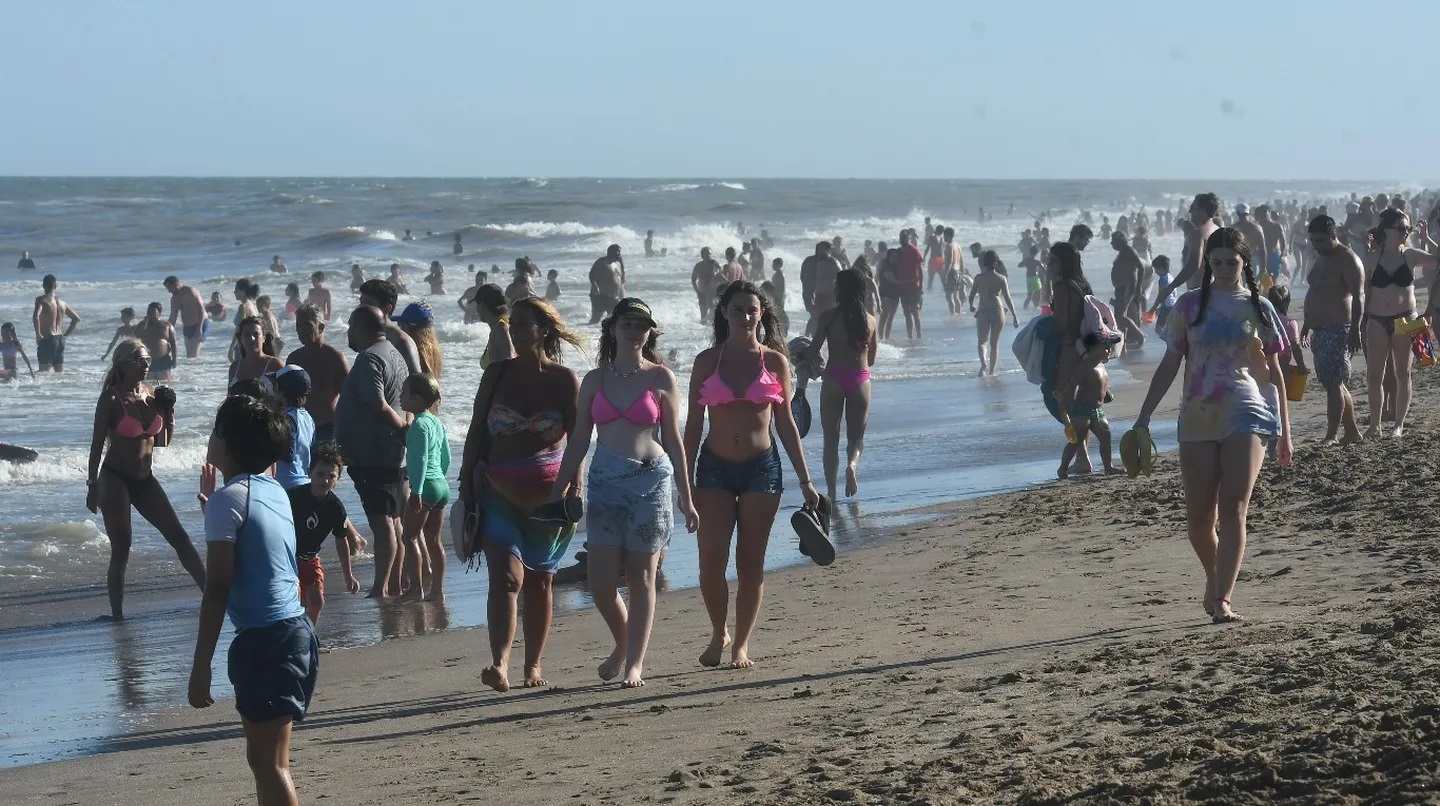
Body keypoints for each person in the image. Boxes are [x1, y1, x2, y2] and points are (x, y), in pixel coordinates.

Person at [1134, 228, 1292, 624]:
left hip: (1247, 411)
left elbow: (1274, 372)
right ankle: (1214, 576)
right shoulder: (1189, 306)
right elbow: (1170, 364)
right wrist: (1143, 415)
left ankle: (1222, 599)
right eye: (1216, 262)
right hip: (1198, 416)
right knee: (1199, 521)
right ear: (1208, 264)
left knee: (1234, 508)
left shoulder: (1259, 306)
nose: (1223, 269)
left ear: (1244, 263)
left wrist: (1285, 432)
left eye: (1231, 262)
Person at [545, 298, 697, 688]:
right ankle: (624, 643)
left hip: (651, 482)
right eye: (627, 323)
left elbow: (674, 440)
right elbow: (578, 440)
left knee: (641, 577)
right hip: (606, 484)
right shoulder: (595, 380)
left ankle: (634, 663)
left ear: (649, 333)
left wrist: (686, 494)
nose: (634, 331)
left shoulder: (662, 377)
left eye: (641, 325)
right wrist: (558, 489)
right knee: (600, 583)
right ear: (612, 329)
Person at [189, 395, 318, 806]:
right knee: (267, 760)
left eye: (215, 430)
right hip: (296, 633)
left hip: (267, 640)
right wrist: (215, 508)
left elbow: (218, 587)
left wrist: (200, 665)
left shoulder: (230, 501)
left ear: (227, 443)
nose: (210, 438)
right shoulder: (273, 490)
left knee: (269, 764)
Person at [684, 281, 819, 669]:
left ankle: (740, 644)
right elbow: (692, 426)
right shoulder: (707, 361)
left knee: (750, 562)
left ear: (762, 315)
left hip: (762, 468)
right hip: (713, 468)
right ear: (724, 313)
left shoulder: (774, 361)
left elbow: (788, 424)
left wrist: (807, 481)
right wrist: (685, 480)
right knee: (711, 561)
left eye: (751, 310)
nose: (745, 316)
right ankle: (718, 632)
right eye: (738, 309)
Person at [460, 298, 585, 691]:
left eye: (523, 324)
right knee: (505, 578)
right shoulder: (496, 375)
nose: (514, 329)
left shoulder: (564, 379)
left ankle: (533, 666)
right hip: (497, 491)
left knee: (541, 582)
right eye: (511, 323)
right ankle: (499, 664)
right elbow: (476, 431)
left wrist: (576, 485)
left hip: (550, 499)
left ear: (544, 330)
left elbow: (579, 439)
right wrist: (465, 483)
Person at [86, 339, 205, 619]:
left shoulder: (151, 394)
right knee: (122, 545)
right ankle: (117, 614)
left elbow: (161, 442)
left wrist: (169, 412)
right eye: (140, 360)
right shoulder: (111, 400)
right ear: (122, 364)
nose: (146, 365)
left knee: (179, 536)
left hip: (144, 479)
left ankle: (212, 593)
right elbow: (95, 446)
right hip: (115, 478)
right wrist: (93, 486)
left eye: (148, 359)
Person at [335, 306, 411, 598]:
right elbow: (405, 400)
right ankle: (393, 584)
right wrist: (405, 429)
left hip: (375, 455)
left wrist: (403, 430)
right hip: (391, 453)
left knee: (383, 526)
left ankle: (381, 588)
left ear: (363, 326)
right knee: (393, 522)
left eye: (351, 326)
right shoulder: (395, 353)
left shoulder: (369, 359)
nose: (349, 333)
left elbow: (376, 403)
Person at [1362, 208, 1438, 439]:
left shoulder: (1412, 255)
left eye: (1408, 228)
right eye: (1401, 228)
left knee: (1403, 373)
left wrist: (1426, 239)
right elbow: (1364, 291)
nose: (1406, 232)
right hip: (1376, 320)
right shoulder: (1371, 257)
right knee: (1374, 376)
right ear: (1386, 230)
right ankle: (1375, 424)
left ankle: (1398, 425)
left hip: (1407, 319)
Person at [803, 270, 877, 501]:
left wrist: (798, 352)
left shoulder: (829, 317)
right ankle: (852, 466)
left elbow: (813, 351)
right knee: (856, 438)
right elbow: (871, 359)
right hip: (860, 380)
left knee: (830, 439)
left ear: (840, 290)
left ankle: (832, 494)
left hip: (834, 378)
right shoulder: (870, 320)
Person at [287, 442, 365, 626]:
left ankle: (309, 636)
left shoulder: (336, 508)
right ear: (309, 472)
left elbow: (341, 541)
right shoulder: (293, 497)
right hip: (288, 558)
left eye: (331, 476)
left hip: (311, 559)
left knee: (317, 601)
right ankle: (292, 637)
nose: (325, 480)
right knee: (293, 601)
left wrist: (348, 575)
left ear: (338, 479)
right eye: (320, 474)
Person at [399, 372, 450, 602]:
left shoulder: (418, 425)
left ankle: (416, 588)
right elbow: (445, 457)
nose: (400, 397)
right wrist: (439, 478)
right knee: (434, 540)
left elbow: (419, 459)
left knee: (409, 537)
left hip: (425, 487)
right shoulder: (437, 423)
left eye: (404, 393)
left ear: (417, 399)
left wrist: (417, 489)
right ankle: (437, 590)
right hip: (441, 485)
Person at [285, 304, 349, 446]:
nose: (301, 330)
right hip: (299, 428)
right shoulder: (294, 359)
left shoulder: (334, 358)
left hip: (327, 429)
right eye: (298, 325)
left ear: (321, 327)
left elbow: (349, 399)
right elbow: (284, 398)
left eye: (307, 325)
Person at [1058, 344, 1118, 479]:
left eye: (1109, 348)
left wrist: (1107, 395)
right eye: (1105, 348)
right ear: (1093, 349)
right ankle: (1062, 469)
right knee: (1076, 441)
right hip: (1082, 410)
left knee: (1105, 437)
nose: (1108, 351)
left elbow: (1100, 384)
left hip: (1098, 410)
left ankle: (1108, 467)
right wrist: (1065, 405)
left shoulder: (1101, 365)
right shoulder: (1085, 366)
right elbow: (1073, 384)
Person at [1153, 193, 1222, 304]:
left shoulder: (1198, 234)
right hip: (1215, 291)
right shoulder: (1218, 230)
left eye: (1193, 208)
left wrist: (1170, 287)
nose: (1190, 212)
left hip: (1198, 293)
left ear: (1203, 210)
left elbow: (1194, 265)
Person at [968, 251, 1020, 376]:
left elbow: (972, 294)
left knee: (982, 341)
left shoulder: (979, 278)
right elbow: (1008, 298)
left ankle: (983, 364)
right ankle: (991, 372)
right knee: (994, 343)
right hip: (998, 310)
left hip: (983, 311)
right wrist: (1014, 316)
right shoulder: (1001, 278)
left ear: (984, 262)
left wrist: (971, 305)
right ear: (996, 262)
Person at [358, 279, 422, 374]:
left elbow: (417, 382)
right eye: (361, 302)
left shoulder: (402, 342)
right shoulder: (365, 336)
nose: (361, 307)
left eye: (368, 303)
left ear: (387, 308)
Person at [272, 366, 315, 490]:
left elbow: (288, 454)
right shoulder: (307, 417)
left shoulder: (287, 418)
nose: (273, 389)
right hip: (304, 480)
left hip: (286, 483)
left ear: (280, 389)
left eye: (275, 385)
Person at [32, 273, 80, 372]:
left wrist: (38, 334)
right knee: (59, 375)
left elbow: (36, 317)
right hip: (60, 340)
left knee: (43, 374)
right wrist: (65, 336)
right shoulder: (63, 303)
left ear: (43, 286)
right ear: (55, 286)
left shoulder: (41, 300)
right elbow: (76, 319)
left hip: (47, 340)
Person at [1109, 232, 1147, 346]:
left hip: (1127, 286)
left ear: (1120, 241)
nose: (1111, 243)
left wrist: (1139, 286)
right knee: (1119, 315)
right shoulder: (1123, 252)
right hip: (1121, 287)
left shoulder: (1128, 250)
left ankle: (1140, 335)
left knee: (1120, 316)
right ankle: (1123, 340)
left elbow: (1141, 267)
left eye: (1113, 241)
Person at [229, 316, 283, 395]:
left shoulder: (275, 365)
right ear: (240, 339)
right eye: (247, 335)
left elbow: (287, 400)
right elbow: (229, 400)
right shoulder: (235, 367)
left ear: (264, 337)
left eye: (256, 334)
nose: (252, 339)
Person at [471, 284, 518, 369]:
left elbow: (510, 364)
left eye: (476, 304)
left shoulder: (501, 330)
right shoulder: (499, 326)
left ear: (481, 305)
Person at [802, 241, 843, 336]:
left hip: (829, 295)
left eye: (822, 249)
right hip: (818, 295)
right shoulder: (817, 262)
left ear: (829, 250)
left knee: (823, 318)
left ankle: (818, 337)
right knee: (816, 317)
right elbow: (807, 279)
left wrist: (838, 294)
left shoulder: (833, 262)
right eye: (818, 249)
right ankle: (808, 337)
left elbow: (841, 277)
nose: (819, 251)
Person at [393, 302, 442, 378]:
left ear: (409, 327)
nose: (399, 328)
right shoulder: (434, 351)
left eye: (400, 324)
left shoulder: (407, 353)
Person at [164, 276, 208, 358]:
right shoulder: (174, 299)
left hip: (200, 324)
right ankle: (194, 371)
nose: (169, 291)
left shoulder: (190, 291)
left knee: (194, 354)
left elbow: (201, 310)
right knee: (189, 356)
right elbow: (173, 318)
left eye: (169, 288)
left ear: (176, 284)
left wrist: (199, 328)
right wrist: (166, 332)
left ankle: (200, 370)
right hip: (187, 327)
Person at [137, 302, 179, 381]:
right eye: (148, 311)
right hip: (148, 359)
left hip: (163, 359)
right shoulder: (143, 324)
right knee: (149, 383)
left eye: (153, 312)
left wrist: (175, 359)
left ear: (159, 313)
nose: (150, 314)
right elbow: (137, 335)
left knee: (166, 382)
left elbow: (173, 343)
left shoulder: (167, 325)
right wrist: (145, 324)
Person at [895, 231, 925, 339]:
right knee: (907, 313)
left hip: (913, 286)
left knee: (915, 312)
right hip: (902, 287)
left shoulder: (914, 250)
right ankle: (910, 337)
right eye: (901, 237)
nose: (902, 239)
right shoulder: (898, 251)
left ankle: (919, 336)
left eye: (904, 237)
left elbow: (920, 268)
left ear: (908, 238)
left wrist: (921, 285)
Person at [589, 245, 626, 324]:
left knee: (617, 318)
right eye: (617, 252)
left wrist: (621, 296)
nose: (619, 254)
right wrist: (594, 285)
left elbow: (621, 280)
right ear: (610, 252)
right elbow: (592, 274)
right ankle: (583, 331)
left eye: (619, 252)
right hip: (600, 296)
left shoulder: (618, 264)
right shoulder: (602, 262)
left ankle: (609, 334)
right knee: (595, 320)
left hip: (613, 297)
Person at [692, 248, 721, 324]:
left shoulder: (714, 263)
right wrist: (697, 291)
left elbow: (721, 275)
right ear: (702, 255)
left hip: (712, 293)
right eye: (706, 254)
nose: (709, 256)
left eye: (710, 254)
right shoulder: (698, 266)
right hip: (702, 292)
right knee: (703, 316)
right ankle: (702, 333)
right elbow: (693, 280)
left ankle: (713, 333)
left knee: (713, 315)